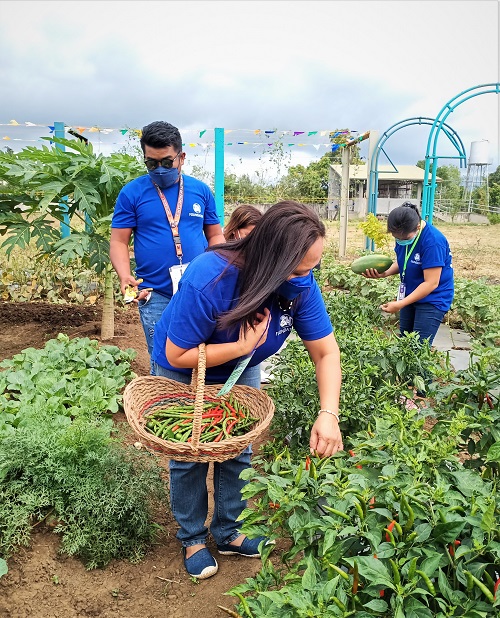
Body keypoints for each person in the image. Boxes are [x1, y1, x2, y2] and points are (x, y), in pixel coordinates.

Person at [151, 201, 343, 580]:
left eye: (311, 268)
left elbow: (326, 352)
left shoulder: (299, 283)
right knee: (191, 450)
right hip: (186, 364)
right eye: (299, 269)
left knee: (238, 445)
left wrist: (328, 413)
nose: (305, 277)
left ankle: (228, 531)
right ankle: (192, 537)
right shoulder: (211, 277)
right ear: (272, 258)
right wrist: (240, 347)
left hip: (242, 366)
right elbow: (178, 352)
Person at [110, 121, 225, 374]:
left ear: (181, 157)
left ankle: (195, 407)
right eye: (152, 163)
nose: (159, 169)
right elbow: (119, 241)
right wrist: (124, 276)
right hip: (155, 294)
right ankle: (164, 408)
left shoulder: (201, 191)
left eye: (166, 162)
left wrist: (219, 272)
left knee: (200, 354)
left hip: (199, 292)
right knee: (163, 360)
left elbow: (216, 236)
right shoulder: (132, 193)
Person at [362, 202, 454, 346]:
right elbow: (404, 261)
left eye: (404, 238)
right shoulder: (403, 233)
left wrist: (399, 304)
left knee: (418, 349)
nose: (400, 241)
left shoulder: (433, 242)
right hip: (411, 295)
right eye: (396, 238)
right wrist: (384, 273)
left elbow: (431, 283)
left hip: (433, 298)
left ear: (418, 226)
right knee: (404, 345)